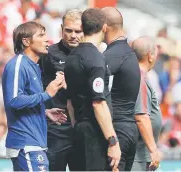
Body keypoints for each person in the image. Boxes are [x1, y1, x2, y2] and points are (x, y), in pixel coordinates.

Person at [2, 21, 67, 171]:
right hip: (26, 143)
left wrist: (43, 113)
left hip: (34, 142)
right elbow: (13, 100)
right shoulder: (18, 64)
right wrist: (47, 94)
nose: (47, 39)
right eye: (41, 35)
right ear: (26, 41)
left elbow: (25, 101)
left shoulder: (34, 66)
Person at [65, 8, 121, 171]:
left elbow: (70, 103)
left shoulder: (71, 57)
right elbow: (98, 103)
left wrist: (78, 126)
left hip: (80, 129)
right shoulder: (95, 58)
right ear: (104, 27)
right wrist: (112, 141)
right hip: (95, 132)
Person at [39, 9, 83, 171]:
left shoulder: (92, 55)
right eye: (68, 30)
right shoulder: (48, 54)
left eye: (78, 31)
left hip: (82, 129)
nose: (73, 35)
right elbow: (35, 86)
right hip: (56, 129)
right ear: (61, 29)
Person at [101, 7, 141, 171]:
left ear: (104, 27)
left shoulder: (112, 56)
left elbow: (96, 94)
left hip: (117, 132)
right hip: (129, 130)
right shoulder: (129, 53)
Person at [131, 36, 162, 171]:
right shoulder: (139, 79)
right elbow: (141, 116)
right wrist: (153, 149)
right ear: (150, 56)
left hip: (142, 154)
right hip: (138, 156)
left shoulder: (138, 76)